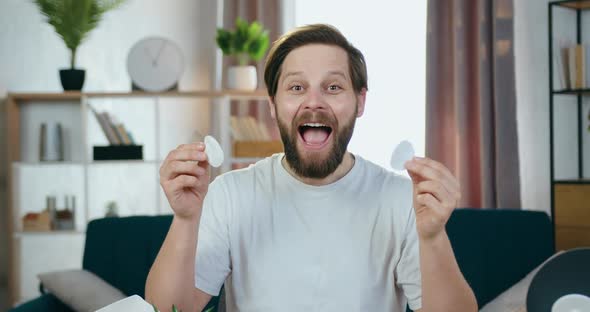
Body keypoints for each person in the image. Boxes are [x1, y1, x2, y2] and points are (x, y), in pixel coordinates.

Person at [146, 24, 477, 312]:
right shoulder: (231, 193)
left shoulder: (401, 199)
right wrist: (185, 220)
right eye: (296, 87)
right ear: (273, 105)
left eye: (333, 87)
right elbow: (169, 310)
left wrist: (432, 238)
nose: (314, 101)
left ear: (360, 102)